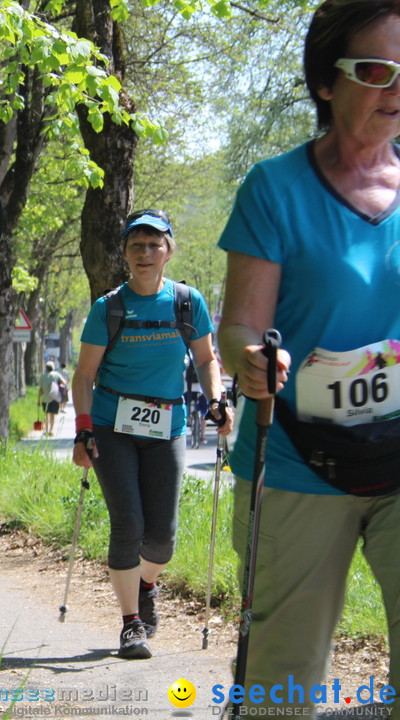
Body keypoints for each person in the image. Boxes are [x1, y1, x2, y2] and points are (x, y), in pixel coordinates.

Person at [217, 0, 400, 712]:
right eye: (377, 70)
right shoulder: (275, 188)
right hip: (298, 460)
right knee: (280, 689)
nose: (395, 90)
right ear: (327, 81)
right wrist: (251, 361)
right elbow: (239, 328)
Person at [71, 209, 232, 660]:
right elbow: (84, 376)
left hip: (167, 426)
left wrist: (216, 399)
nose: (146, 253)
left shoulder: (186, 303)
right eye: (136, 245)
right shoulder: (109, 308)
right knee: (129, 524)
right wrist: (83, 430)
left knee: (161, 536)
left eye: (154, 244)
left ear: (168, 251)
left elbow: (206, 360)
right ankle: (130, 624)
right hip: (111, 425)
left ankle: (145, 585)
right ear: (125, 253)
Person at [39, 362, 64, 436]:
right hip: (54, 397)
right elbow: (64, 382)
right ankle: (51, 431)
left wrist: (38, 400)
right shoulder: (56, 375)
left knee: (46, 414)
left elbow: (41, 389)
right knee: (53, 415)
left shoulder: (43, 376)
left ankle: (46, 430)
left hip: (45, 398)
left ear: (46, 368)